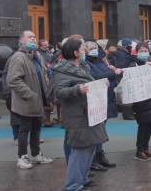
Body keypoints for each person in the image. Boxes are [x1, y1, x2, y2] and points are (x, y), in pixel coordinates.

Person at [53, 37, 108, 191]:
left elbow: (89, 84)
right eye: (83, 48)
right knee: (80, 151)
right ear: (76, 52)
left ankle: (81, 179)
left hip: (88, 114)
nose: (85, 51)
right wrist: (78, 90)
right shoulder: (62, 70)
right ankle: (72, 185)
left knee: (89, 148)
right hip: (77, 116)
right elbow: (59, 92)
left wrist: (101, 84)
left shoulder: (82, 67)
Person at [7, 31, 53, 169]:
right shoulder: (18, 57)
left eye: (34, 37)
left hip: (39, 101)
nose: (33, 39)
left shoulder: (37, 56)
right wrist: (30, 95)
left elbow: (43, 76)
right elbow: (13, 80)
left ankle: (36, 154)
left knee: (36, 129)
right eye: (29, 37)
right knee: (24, 129)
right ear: (21, 40)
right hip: (26, 101)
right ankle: (22, 157)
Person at [85, 41, 120, 170]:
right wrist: (111, 73)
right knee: (95, 131)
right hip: (95, 101)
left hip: (106, 99)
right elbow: (94, 77)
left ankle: (100, 155)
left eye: (95, 47)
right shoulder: (86, 64)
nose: (94, 50)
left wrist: (111, 72)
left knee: (101, 130)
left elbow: (106, 74)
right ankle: (93, 159)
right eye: (90, 48)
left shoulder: (101, 61)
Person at [132, 42, 151, 161]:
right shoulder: (133, 64)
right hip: (141, 100)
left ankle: (146, 149)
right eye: (141, 51)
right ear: (137, 52)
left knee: (149, 125)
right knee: (143, 125)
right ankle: (139, 150)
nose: (144, 53)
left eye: (145, 50)